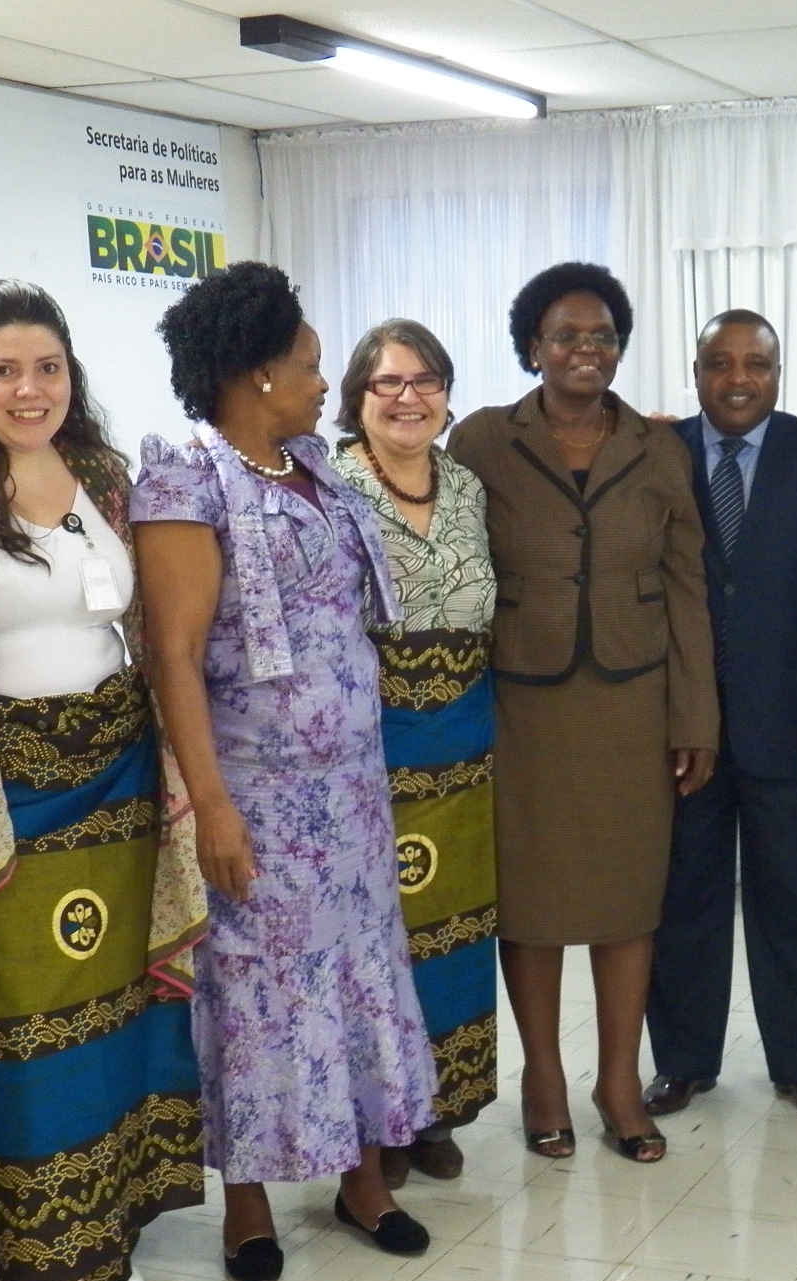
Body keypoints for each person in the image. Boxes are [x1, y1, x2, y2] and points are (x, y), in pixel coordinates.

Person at [0, 279, 209, 1281]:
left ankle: (103, 1246)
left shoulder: (105, 480)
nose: (26, 390)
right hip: (5, 799)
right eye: (1, 371)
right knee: (18, 1037)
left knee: (115, 1023)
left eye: (45, 368)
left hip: (120, 784)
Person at [133, 261, 435, 1281]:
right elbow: (173, 651)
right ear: (256, 372)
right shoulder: (186, 474)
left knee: (353, 977)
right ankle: (249, 1204)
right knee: (257, 996)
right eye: (307, 365)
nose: (321, 382)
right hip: (255, 796)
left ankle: (359, 1179)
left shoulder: (313, 466)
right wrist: (209, 803)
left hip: (347, 788)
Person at [449, 262, 718, 1164]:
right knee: (530, 899)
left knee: (626, 898)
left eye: (601, 336)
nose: (584, 350)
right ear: (533, 346)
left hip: (634, 702)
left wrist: (697, 716)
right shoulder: (483, 442)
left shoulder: (658, 446)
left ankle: (616, 1081)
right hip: (521, 703)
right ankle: (544, 1078)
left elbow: (686, 588)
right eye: (565, 335)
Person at [643, 310, 797, 1123]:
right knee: (685, 900)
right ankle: (682, 1062)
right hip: (686, 731)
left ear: (779, 373)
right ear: (696, 370)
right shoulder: (656, 453)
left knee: (795, 899)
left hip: (794, 727)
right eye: (719, 362)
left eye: (756, 364)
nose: (738, 378)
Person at [329, 320, 498, 1185]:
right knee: (376, 940)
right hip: (368, 751)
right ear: (357, 398)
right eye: (388, 383)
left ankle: (441, 1110)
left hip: (466, 747)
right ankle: (378, 1122)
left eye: (425, 380)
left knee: (455, 937)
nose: (408, 398)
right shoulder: (329, 488)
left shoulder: (468, 487)